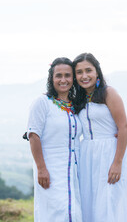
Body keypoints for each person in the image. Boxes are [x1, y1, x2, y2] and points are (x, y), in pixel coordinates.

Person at [72, 53, 127, 222]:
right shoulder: (79, 98)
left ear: (97, 71)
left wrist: (117, 163)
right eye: (79, 72)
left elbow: (124, 127)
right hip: (87, 155)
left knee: (109, 203)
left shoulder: (108, 93)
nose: (84, 76)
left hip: (109, 153)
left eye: (88, 70)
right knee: (89, 203)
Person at [26, 58, 82, 222]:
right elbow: (33, 135)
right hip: (50, 168)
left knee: (73, 212)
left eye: (67, 75)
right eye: (59, 75)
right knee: (55, 212)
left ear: (73, 78)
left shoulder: (75, 106)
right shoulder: (42, 103)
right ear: (51, 78)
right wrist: (41, 168)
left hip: (73, 169)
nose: (63, 80)